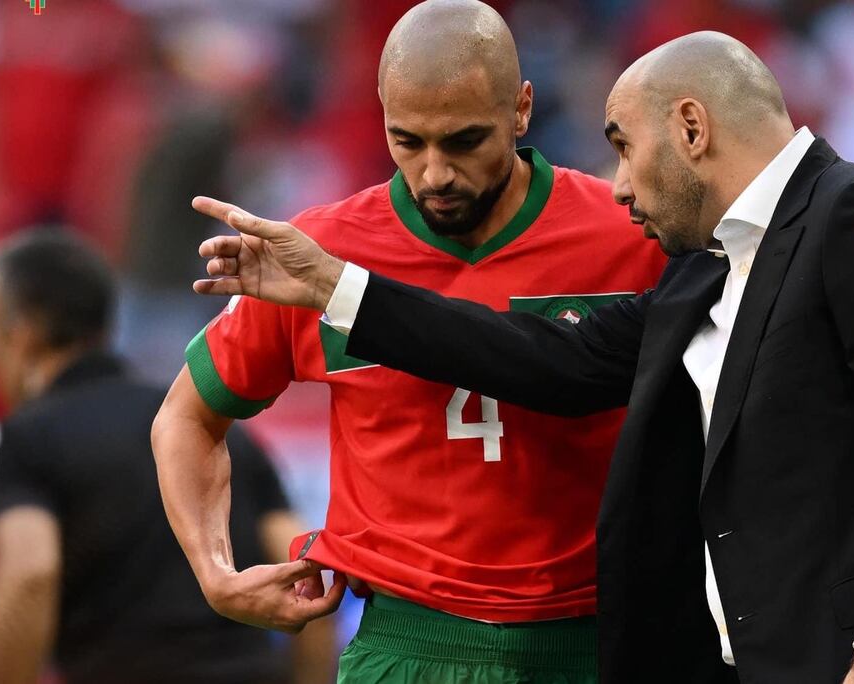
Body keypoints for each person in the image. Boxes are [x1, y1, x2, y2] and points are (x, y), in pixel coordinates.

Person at [190, 31, 854, 684]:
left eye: (625, 146)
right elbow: (540, 358)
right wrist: (337, 286)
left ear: (691, 128)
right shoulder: (703, 273)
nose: (619, 184)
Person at [151, 1, 667, 682]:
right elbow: (187, 416)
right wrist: (214, 572)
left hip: (599, 642)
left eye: (464, 141)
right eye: (408, 141)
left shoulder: (632, 235)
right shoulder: (316, 256)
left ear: (521, 109)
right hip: (404, 648)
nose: (435, 173)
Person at [0, 230, 336, 684]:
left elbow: (31, 573)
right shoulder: (215, 431)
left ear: (21, 333)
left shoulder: (18, 440)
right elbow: (305, 574)